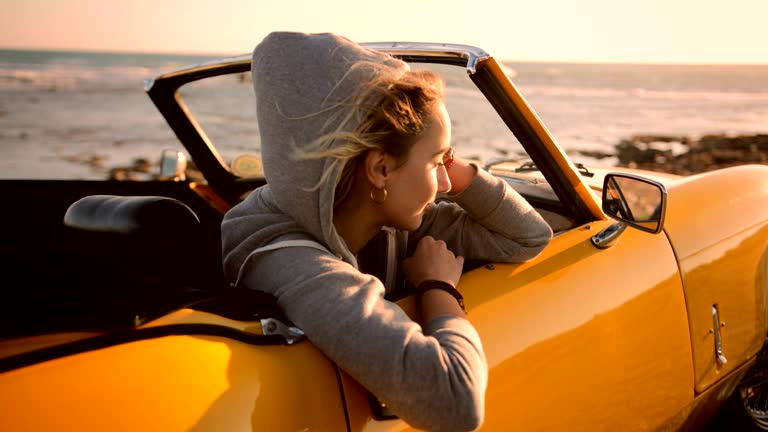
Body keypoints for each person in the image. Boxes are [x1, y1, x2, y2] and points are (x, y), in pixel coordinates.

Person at [221, 32, 552, 431]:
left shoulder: (381, 211)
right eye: (436, 164)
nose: (446, 184)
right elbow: (456, 406)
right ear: (379, 169)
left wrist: (456, 170)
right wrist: (438, 289)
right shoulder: (288, 259)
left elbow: (528, 238)